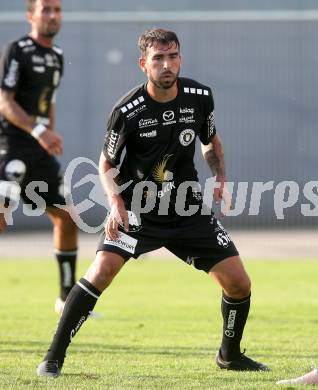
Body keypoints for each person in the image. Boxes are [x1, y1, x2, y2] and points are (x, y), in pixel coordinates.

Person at [36, 28, 269, 377]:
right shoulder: (127, 110)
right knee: (101, 272)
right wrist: (116, 203)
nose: (167, 64)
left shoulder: (199, 97)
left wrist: (220, 178)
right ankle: (53, 359)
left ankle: (230, 356)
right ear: (143, 64)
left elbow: (211, 142)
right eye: (158, 58)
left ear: (180, 59)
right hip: (136, 211)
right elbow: (106, 164)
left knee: (239, 283)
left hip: (186, 209)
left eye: (172, 56)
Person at [0, 0, 77, 314]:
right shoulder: (17, 50)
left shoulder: (57, 56)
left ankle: (67, 300)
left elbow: (50, 102)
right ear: (31, 15)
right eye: (46, 9)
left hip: (39, 150)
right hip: (11, 146)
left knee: (67, 217)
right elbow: (4, 102)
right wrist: (38, 131)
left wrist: (48, 135)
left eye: (57, 10)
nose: (52, 15)